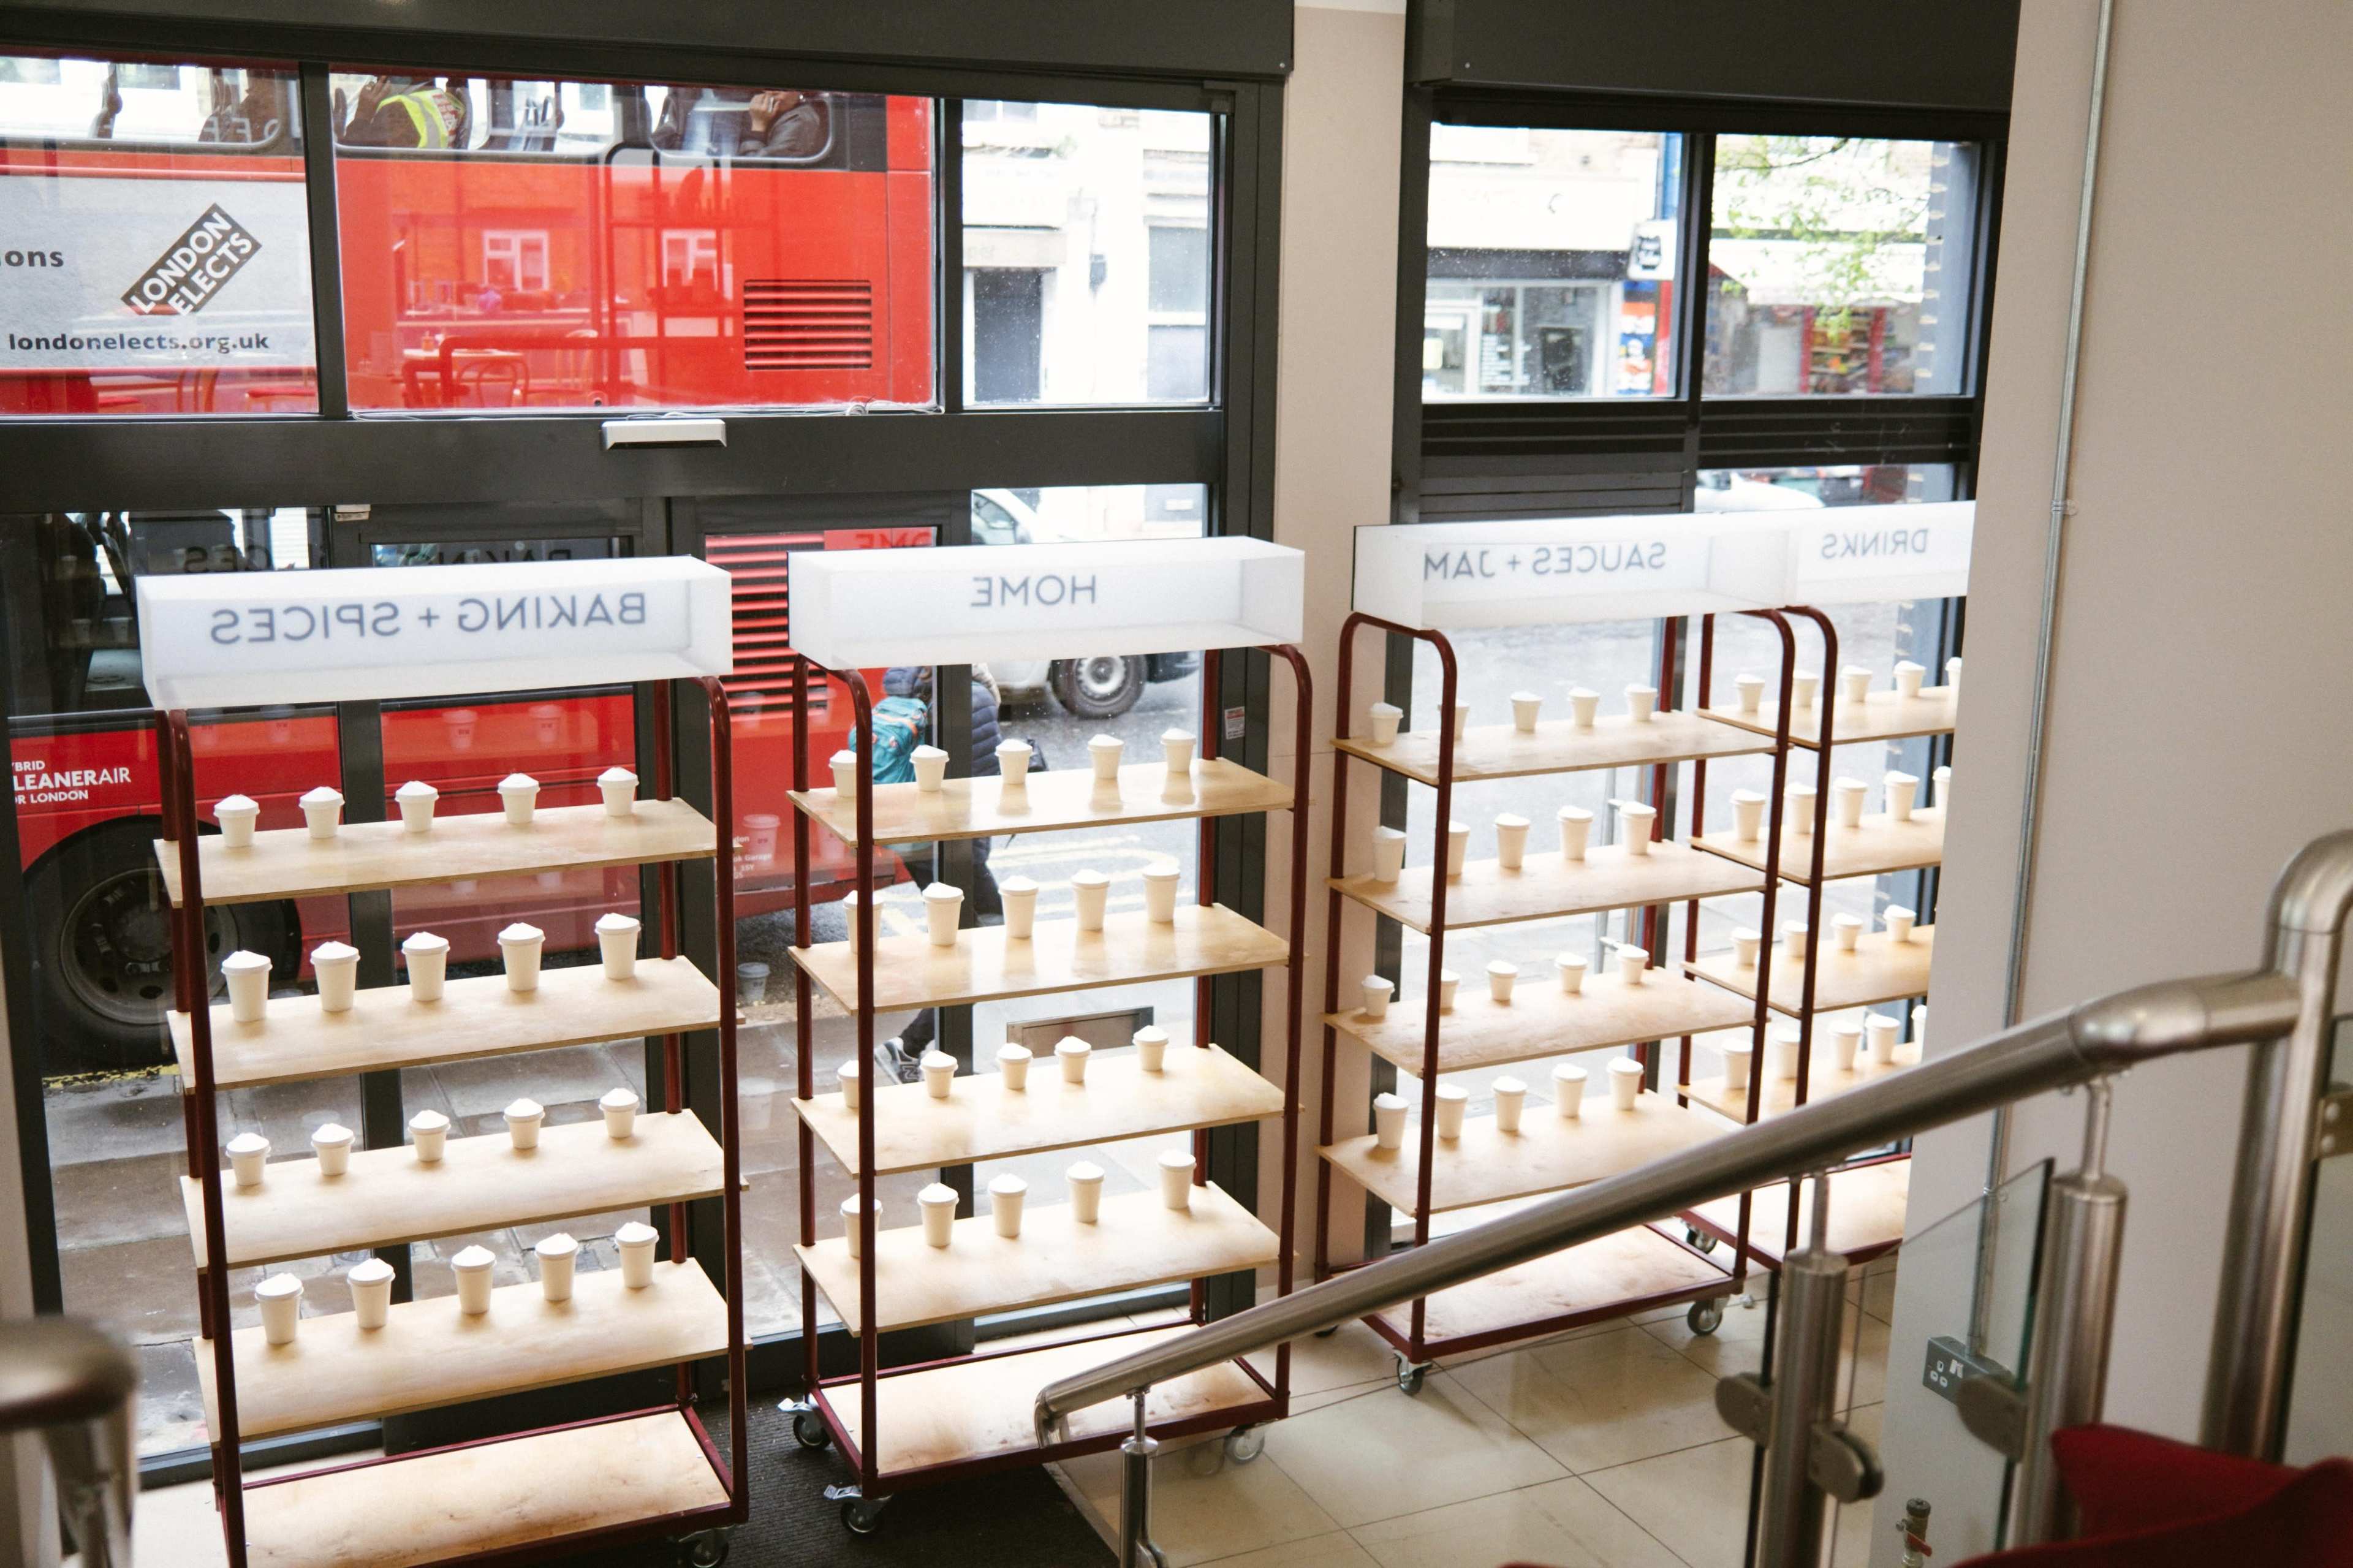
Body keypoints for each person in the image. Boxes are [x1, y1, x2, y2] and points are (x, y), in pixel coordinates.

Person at [876, 664, 1012, 1076]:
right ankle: (911, 1046)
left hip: (916, 840)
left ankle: (916, 1044)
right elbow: (981, 783)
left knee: (961, 943)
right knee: (983, 945)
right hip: (955, 848)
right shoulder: (973, 698)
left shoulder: (908, 686)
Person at [650, 88, 829, 159]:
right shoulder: (685, 104)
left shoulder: (800, 120)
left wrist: (757, 128)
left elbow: (755, 173)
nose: (774, 92)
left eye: (785, 86)